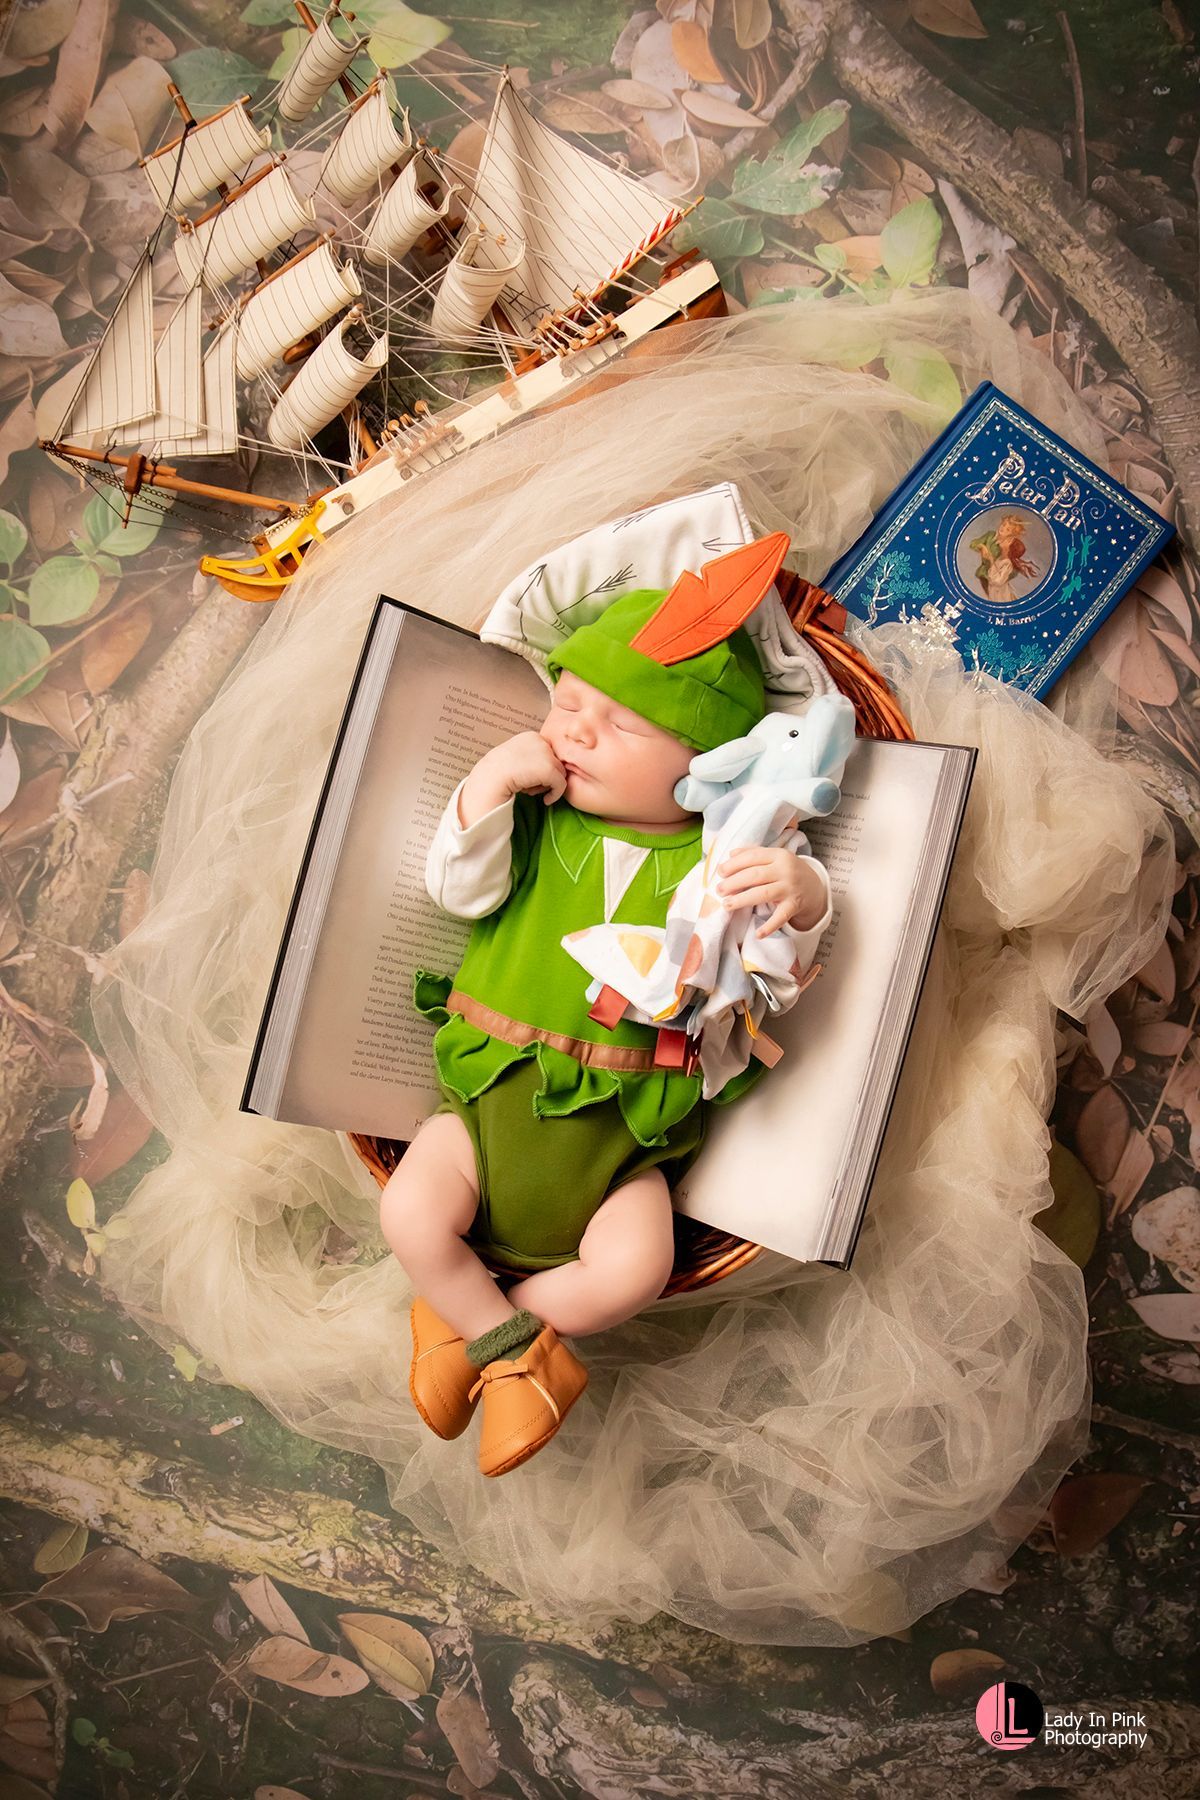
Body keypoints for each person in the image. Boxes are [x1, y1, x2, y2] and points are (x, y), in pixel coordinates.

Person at [379, 550, 834, 1478]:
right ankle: (519, 1362)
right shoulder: (542, 824)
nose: (573, 735)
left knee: (630, 1275)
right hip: (490, 1104)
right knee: (410, 1216)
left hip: (625, 1142)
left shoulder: (716, 863)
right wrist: (489, 786)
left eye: (615, 723)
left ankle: (472, 1327)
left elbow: (773, 961)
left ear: (704, 765)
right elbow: (458, 890)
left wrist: (804, 892)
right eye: (567, 707)